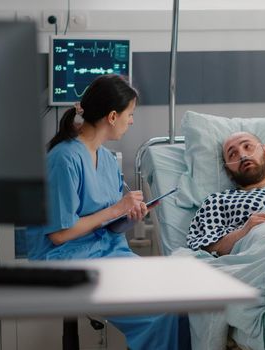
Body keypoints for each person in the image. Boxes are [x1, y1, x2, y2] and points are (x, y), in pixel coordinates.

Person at [26, 75, 189, 350]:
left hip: (108, 252)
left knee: (180, 302)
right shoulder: (64, 158)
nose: (132, 121)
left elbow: (108, 226)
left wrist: (129, 217)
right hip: (66, 259)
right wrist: (116, 208)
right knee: (158, 315)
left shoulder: (108, 161)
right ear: (113, 116)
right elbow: (59, 234)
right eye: (130, 114)